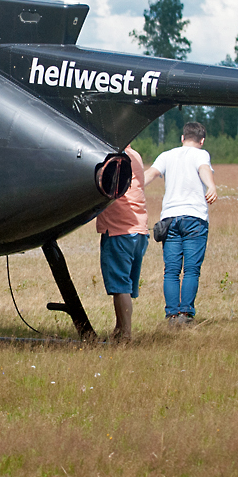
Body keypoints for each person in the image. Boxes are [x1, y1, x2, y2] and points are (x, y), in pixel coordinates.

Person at [145, 122, 217, 327]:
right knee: (191, 270)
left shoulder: (166, 155)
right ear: (201, 141)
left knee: (171, 270)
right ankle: (186, 314)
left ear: (182, 138)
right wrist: (211, 185)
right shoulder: (201, 155)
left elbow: (150, 174)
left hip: (169, 219)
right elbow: (203, 169)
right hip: (194, 218)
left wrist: (130, 185)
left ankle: (171, 316)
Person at [96, 144, 149, 342]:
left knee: (120, 286)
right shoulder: (135, 154)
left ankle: (125, 333)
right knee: (125, 285)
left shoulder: (111, 156)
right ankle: (119, 329)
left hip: (119, 229)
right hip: (139, 228)